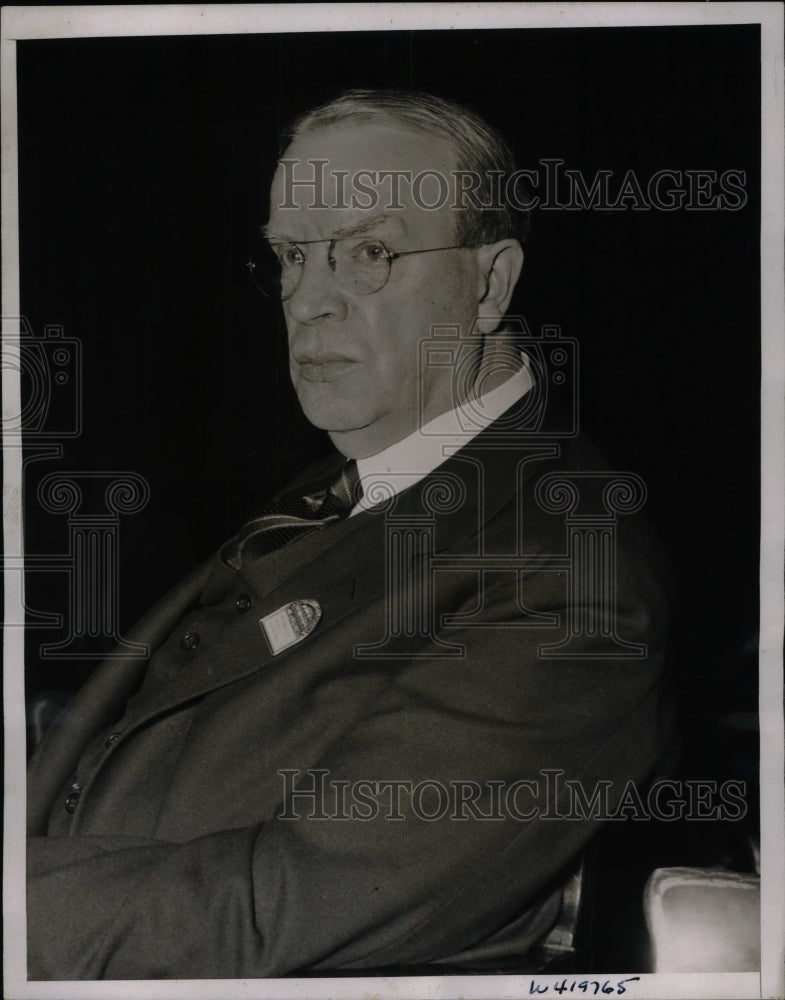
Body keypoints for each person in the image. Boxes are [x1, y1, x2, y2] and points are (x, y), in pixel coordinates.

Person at [26, 89, 672, 980]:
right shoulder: (362, 472)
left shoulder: (567, 569)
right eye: (291, 255)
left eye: (368, 252)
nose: (309, 302)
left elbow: (275, 907)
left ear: (489, 283)